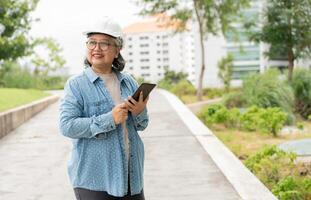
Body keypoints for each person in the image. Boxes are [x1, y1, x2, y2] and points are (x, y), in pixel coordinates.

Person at [59, 17, 149, 200]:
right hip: (94, 179)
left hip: (131, 175)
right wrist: (109, 119)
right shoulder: (76, 85)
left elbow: (142, 125)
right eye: (92, 42)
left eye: (104, 44)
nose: (96, 48)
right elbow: (67, 126)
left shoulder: (129, 81)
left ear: (117, 50)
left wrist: (140, 111)